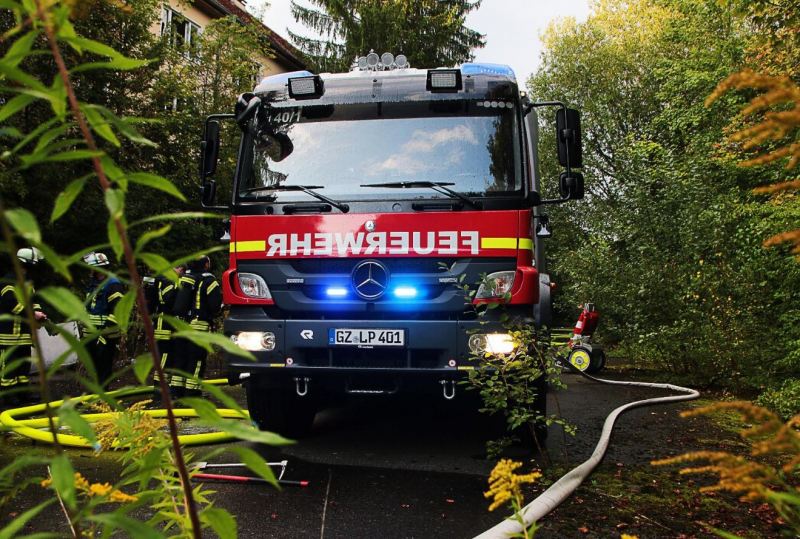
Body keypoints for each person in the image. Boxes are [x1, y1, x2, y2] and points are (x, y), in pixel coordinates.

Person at [0, 247, 47, 405]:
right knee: (10, 367)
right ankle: (8, 397)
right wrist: (33, 315)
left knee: (23, 366)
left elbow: (33, 301)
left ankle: (22, 394)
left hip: (24, 334)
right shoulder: (7, 282)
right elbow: (12, 305)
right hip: (8, 335)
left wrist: (39, 312)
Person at [169, 256, 221, 398]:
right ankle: (192, 393)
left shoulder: (184, 278)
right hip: (198, 327)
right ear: (206, 265)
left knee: (180, 358)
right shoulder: (209, 280)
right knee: (196, 360)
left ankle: (176, 391)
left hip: (180, 326)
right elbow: (215, 305)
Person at [83, 252, 125, 387]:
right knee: (93, 367)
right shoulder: (93, 284)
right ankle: (95, 391)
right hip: (91, 334)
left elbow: (118, 311)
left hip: (106, 334)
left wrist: (105, 333)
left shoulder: (113, 284)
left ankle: (103, 392)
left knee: (103, 367)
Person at [149, 265, 185, 400]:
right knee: (164, 357)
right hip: (164, 324)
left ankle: (164, 388)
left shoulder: (159, 280)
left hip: (162, 322)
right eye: (181, 270)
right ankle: (159, 389)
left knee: (167, 357)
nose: (181, 273)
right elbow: (168, 300)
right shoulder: (169, 281)